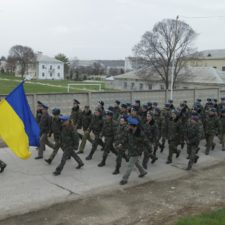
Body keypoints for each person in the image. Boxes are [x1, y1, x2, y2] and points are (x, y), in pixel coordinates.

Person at [120, 117, 147, 185]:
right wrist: (121, 143)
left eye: (129, 125)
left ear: (133, 126)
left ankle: (124, 179)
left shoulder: (140, 133)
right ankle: (143, 172)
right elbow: (126, 138)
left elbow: (145, 141)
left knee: (130, 165)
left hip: (137, 151)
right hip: (131, 149)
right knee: (136, 162)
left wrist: (149, 149)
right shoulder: (129, 131)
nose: (128, 126)